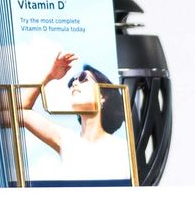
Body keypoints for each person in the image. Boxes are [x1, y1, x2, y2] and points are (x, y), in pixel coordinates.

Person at [17, 52, 132, 180]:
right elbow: (19, 110)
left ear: (102, 96)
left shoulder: (123, 148)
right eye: (73, 81)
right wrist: (50, 76)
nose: (75, 83)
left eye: (83, 78)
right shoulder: (67, 141)